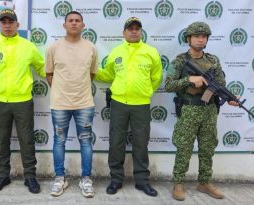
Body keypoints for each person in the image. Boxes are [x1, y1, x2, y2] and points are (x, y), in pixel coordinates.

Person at [165, 21, 238, 201]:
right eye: (197, 36)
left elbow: (220, 84)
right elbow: (168, 85)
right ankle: (178, 183)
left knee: (207, 147)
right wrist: (189, 80)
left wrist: (230, 97)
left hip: (210, 110)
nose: (200, 39)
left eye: (204, 36)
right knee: (184, 147)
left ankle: (204, 182)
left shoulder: (213, 60)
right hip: (189, 109)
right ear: (189, 38)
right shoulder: (180, 61)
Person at [94, 17, 162, 197]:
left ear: (141, 32)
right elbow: (107, 74)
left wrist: (145, 92)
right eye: (130, 29)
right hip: (119, 105)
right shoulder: (116, 52)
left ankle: (142, 181)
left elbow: (156, 78)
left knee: (141, 143)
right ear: (124, 32)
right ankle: (116, 179)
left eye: (137, 29)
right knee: (116, 142)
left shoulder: (151, 52)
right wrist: (90, 70)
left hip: (141, 105)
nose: (133, 31)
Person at [0, 9, 45, 194]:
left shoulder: (28, 46)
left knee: (27, 140)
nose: (7, 25)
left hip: (23, 101)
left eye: (11, 22)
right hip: (0, 101)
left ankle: (30, 177)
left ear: (18, 24)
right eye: (4, 22)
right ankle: (3, 175)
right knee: (2, 140)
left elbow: (41, 67)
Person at [45, 11, 98, 198]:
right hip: (59, 104)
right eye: (70, 21)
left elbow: (91, 74)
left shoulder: (91, 47)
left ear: (83, 25)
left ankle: (86, 178)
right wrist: (62, 90)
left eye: (77, 21)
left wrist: (78, 88)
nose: (74, 23)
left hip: (84, 103)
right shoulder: (53, 48)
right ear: (64, 25)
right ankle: (60, 178)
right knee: (59, 141)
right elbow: (49, 74)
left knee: (85, 141)